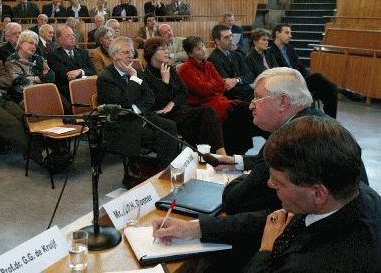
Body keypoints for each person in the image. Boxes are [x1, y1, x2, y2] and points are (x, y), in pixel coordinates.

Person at [152, 116, 379, 273]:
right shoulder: (353, 194)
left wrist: (265, 251)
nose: (269, 184)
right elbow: (273, 219)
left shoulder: (322, 263)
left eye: (279, 182)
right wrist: (193, 228)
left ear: (318, 193)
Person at [216, 67, 368, 215]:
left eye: (257, 97)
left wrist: (245, 176)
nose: (251, 105)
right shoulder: (313, 121)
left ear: (283, 102)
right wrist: (237, 161)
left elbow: (234, 201)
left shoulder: (290, 140)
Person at [97, 36, 178, 169]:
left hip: (141, 116)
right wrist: (133, 78)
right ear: (114, 55)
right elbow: (123, 103)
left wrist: (135, 110)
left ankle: (168, 170)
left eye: (132, 52)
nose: (131, 56)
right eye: (125, 52)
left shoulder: (137, 72)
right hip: (122, 124)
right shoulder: (106, 78)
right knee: (162, 136)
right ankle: (164, 173)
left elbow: (150, 98)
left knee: (170, 126)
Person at [177, 36, 265, 155]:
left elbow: (221, 85)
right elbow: (202, 89)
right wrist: (213, 85)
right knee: (242, 110)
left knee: (246, 108)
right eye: (198, 48)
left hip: (218, 100)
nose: (203, 50)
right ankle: (235, 151)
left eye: (203, 46)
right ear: (190, 53)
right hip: (201, 105)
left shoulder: (208, 65)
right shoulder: (186, 68)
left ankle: (242, 149)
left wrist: (211, 86)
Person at [143, 38, 226, 154]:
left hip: (179, 110)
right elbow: (157, 102)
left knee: (208, 114)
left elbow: (184, 92)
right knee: (205, 116)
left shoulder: (170, 69)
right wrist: (165, 83)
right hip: (165, 117)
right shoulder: (146, 76)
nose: (167, 52)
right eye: (163, 49)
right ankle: (213, 156)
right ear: (151, 52)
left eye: (167, 48)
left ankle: (216, 155)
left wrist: (172, 103)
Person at [268, 23, 339, 118]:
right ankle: (341, 92)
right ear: (277, 34)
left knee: (330, 92)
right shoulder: (270, 52)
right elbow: (278, 72)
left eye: (290, 33)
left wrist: (305, 78)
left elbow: (300, 66)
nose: (290, 36)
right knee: (318, 77)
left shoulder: (289, 48)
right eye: (287, 33)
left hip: (299, 82)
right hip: (288, 85)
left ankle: (330, 121)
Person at [46, 25, 95, 105]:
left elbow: (92, 71)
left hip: (86, 86)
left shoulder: (83, 53)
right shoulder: (53, 55)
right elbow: (64, 75)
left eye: (73, 35)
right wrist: (82, 74)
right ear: (60, 40)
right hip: (67, 90)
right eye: (68, 35)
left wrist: (80, 71)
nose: (72, 37)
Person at [6, 30, 55, 104]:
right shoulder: (12, 61)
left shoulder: (39, 58)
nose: (33, 47)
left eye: (35, 45)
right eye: (31, 43)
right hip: (24, 97)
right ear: (21, 43)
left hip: (44, 92)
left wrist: (33, 78)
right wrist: (41, 78)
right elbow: (20, 84)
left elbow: (51, 76)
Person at [208, 24, 254, 102]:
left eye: (231, 36)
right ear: (217, 41)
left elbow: (250, 75)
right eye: (226, 37)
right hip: (234, 99)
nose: (231, 39)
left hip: (246, 92)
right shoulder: (213, 59)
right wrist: (245, 82)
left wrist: (237, 80)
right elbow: (228, 85)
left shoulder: (237, 55)